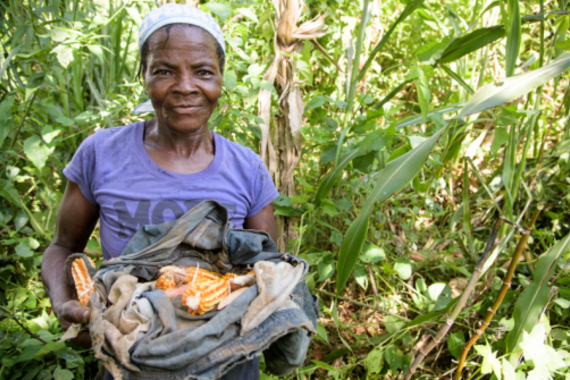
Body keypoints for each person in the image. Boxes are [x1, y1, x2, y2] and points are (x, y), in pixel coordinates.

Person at [41, 4, 279, 379]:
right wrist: (63, 302)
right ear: (144, 76)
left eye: (203, 72)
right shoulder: (101, 154)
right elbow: (61, 249)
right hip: (129, 360)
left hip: (226, 363)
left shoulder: (246, 168)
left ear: (220, 78)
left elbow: (266, 270)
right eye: (165, 71)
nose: (186, 87)